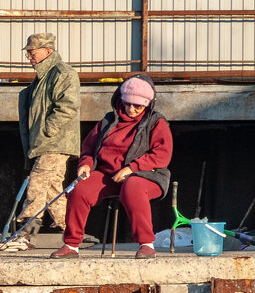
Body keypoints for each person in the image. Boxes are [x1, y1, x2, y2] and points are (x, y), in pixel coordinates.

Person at [51, 75, 172, 259]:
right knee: (80, 189)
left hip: (147, 176)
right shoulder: (108, 121)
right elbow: (89, 148)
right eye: (127, 104)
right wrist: (85, 164)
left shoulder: (156, 122)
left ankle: (147, 244)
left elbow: (162, 155)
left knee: (133, 187)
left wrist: (132, 168)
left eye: (138, 106)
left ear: (147, 104)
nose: (131, 109)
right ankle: (71, 245)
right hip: (108, 175)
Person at [17, 32, 81, 236]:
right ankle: (68, 227)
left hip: (54, 142)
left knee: (37, 180)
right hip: (46, 142)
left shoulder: (62, 73)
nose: (29, 57)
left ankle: (27, 226)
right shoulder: (43, 76)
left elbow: (68, 106)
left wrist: (47, 131)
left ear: (47, 51)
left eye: (32, 52)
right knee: (52, 185)